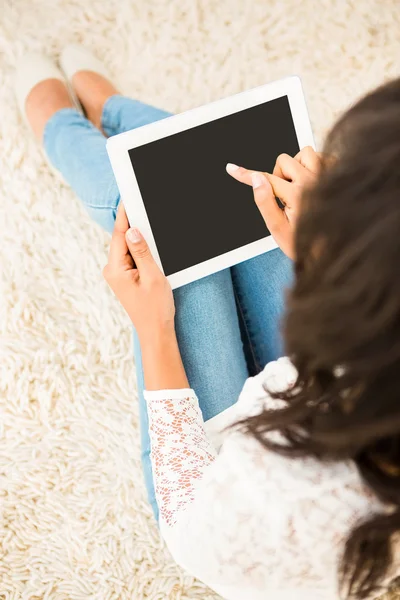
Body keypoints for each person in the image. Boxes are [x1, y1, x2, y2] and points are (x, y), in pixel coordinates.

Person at [15, 47, 400, 599]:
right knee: (230, 194)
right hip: (337, 370)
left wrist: (154, 329)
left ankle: (70, 126)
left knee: (157, 214)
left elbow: (187, 519)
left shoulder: (299, 514)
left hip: (211, 466)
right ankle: (118, 114)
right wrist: (318, 253)